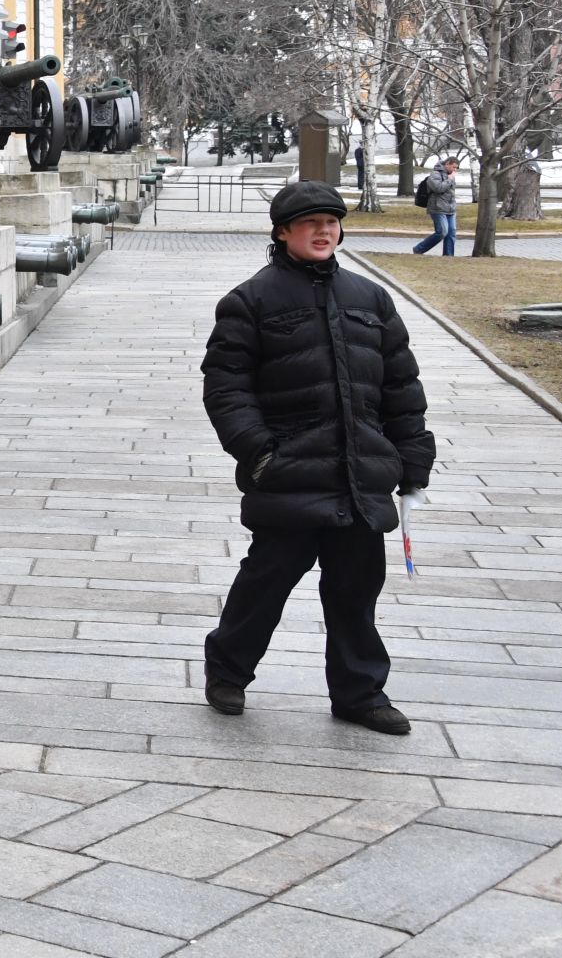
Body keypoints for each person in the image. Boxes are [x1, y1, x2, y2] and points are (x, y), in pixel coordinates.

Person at [200, 181, 435, 735]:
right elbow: (225, 389)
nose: (324, 231)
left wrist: (412, 464)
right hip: (289, 476)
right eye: (310, 223)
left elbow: (402, 386)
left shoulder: (371, 298)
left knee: (356, 592)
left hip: (359, 477)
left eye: (331, 221)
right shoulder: (249, 301)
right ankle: (228, 671)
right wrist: (260, 454)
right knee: (266, 582)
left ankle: (360, 694)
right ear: (283, 233)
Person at [412, 157, 460, 256]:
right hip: (437, 208)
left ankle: (448, 256)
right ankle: (419, 249)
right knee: (442, 231)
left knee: (451, 233)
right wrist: (450, 180)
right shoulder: (435, 174)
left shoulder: (449, 175)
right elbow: (438, 188)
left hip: (450, 208)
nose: (455, 170)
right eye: (453, 167)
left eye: (456, 168)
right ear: (447, 164)